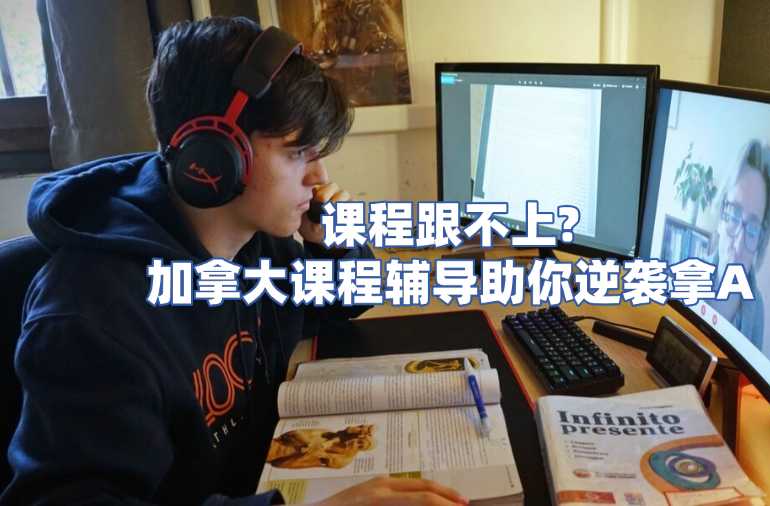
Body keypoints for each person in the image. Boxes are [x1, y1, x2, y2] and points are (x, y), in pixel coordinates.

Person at [1, 17, 466, 506]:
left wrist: (332, 244)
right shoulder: (91, 315)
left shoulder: (257, 238)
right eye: (298, 153)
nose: (320, 177)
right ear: (216, 156)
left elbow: (345, 301)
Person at [707, 139, 770, 351]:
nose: (738, 243)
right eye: (734, 214)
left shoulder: (757, 311)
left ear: (761, 239)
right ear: (721, 214)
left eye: (753, 228)